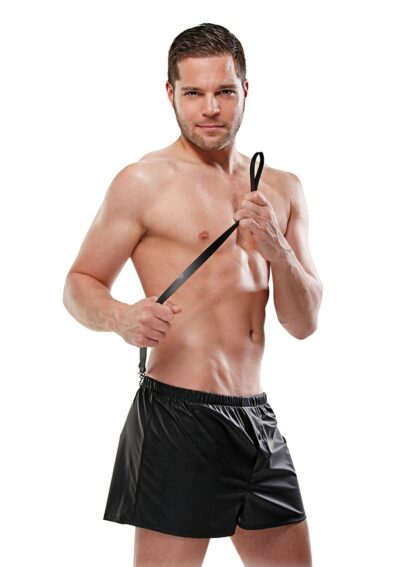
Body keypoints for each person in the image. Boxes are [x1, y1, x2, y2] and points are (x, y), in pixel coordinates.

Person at [63, 22, 322, 567]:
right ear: (170, 93)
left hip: (257, 418)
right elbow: (79, 283)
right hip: (179, 415)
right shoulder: (142, 182)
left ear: (245, 89)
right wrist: (120, 317)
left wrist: (277, 249)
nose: (210, 108)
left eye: (224, 91)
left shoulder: (283, 188)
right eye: (194, 93)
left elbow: (303, 323)